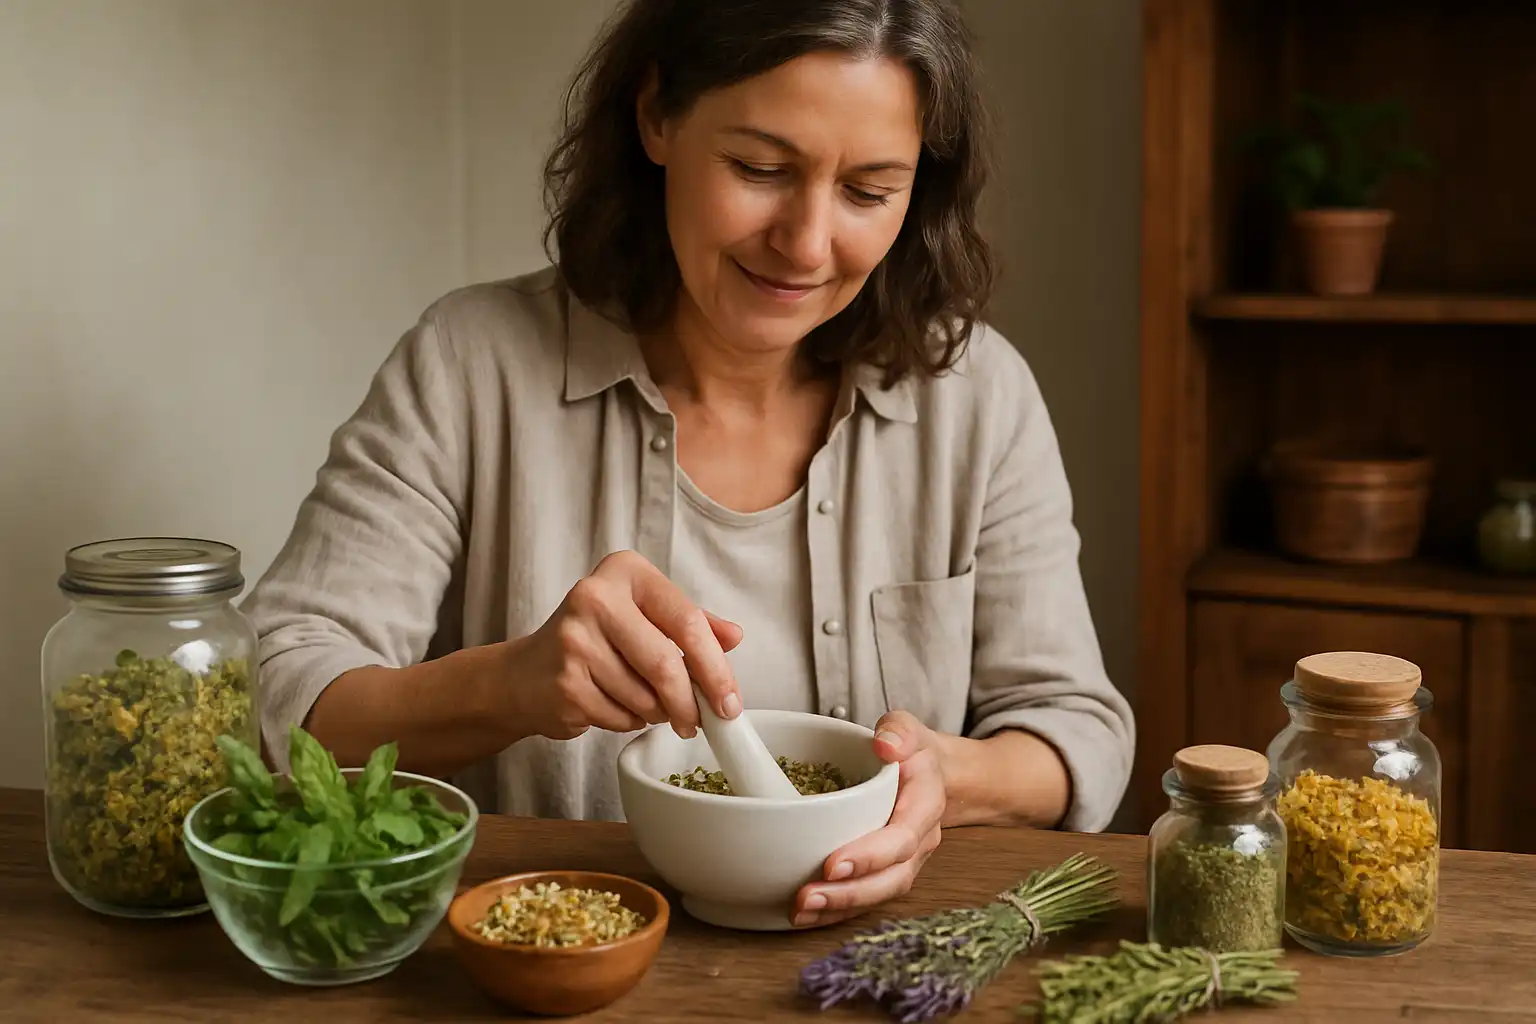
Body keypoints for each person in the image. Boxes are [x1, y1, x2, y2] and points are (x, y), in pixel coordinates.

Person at [244, 0, 1134, 929]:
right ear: (657, 116)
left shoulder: (976, 394)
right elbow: (273, 688)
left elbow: (1077, 732)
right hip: (555, 964)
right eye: (760, 170)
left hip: (872, 959)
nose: (807, 244)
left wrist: (941, 778)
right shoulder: (472, 365)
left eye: (868, 192)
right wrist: (508, 685)